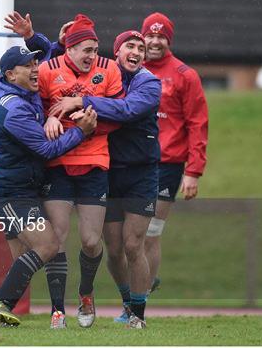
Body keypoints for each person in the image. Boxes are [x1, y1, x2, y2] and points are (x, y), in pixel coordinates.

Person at [5, 12, 124, 329]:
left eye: (95, 48)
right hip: (57, 166)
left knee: (89, 241)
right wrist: (49, 118)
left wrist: (80, 107)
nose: (92, 55)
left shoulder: (109, 69)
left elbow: (116, 116)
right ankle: (57, 308)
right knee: (55, 239)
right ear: (68, 50)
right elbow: (34, 106)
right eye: (86, 49)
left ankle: (86, 293)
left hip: (94, 163)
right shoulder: (46, 70)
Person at [48, 30, 162, 328]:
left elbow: (126, 110)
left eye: (141, 47)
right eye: (130, 46)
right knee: (111, 248)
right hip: (110, 171)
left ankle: (138, 313)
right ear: (117, 52)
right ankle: (127, 302)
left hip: (141, 175)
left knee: (133, 244)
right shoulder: (102, 74)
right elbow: (55, 73)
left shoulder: (148, 82)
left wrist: (81, 101)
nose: (137, 51)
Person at [0, 45, 97, 328]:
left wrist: (53, 43)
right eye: (27, 65)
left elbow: (49, 57)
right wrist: (81, 133)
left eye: (35, 62)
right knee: (48, 245)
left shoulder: (20, 93)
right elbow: (46, 149)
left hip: (20, 188)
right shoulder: (15, 109)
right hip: (12, 192)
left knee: (23, 259)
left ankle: (0, 318)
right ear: (10, 74)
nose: (36, 68)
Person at [139, 12, 208, 297]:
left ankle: (137, 301)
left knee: (150, 232)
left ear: (169, 40)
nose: (155, 41)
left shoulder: (184, 75)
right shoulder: (130, 69)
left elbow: (198, 123)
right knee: (126, 236)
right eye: (150, 35)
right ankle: (142, 283)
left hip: (167, 163)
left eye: (161, 36)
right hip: (132, 162)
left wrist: (193, 171)